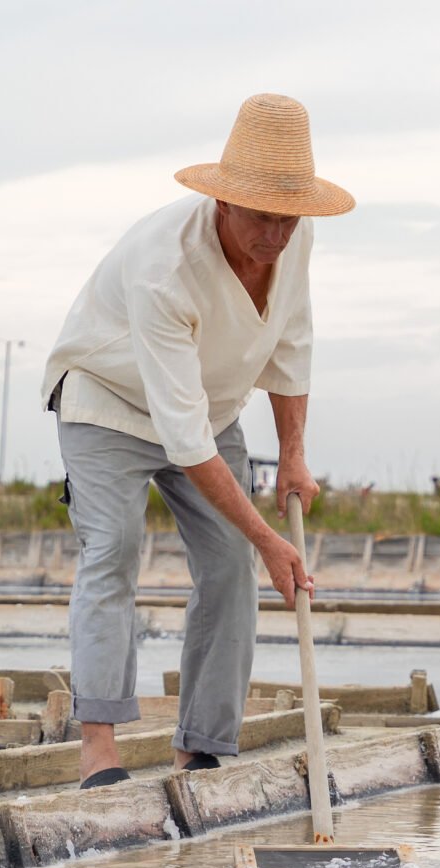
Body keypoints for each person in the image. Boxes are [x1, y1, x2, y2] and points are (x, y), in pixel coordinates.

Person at [40, 94, 355, 788]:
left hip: (207, 411)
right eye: (262, 217)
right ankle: (99, 753)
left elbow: (292, 342)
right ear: (224, 202)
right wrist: (269, 539)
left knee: (229, 565)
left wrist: (293, 455)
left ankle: (202, 749)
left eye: (288, 217)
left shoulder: (294, 237)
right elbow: (183, 441)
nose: (276, 234)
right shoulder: (166, 266)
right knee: (114, 549)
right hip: (108, 401)